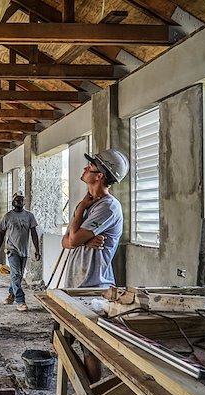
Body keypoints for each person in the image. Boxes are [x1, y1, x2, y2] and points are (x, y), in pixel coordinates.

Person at [61, 148, 129, 383]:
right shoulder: (88, 204)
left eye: (90, 167)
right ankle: (86, 388)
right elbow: (66, 241)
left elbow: (72, 239)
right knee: (59, 341)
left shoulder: (108, 207)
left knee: (90, 349)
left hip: (93, 287)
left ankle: (90, 390)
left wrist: (78, 228)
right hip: (73, 286)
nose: (85, 169)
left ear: (100, 175)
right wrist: (80, 212)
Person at [0, 191, 41, 312]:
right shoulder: (8, 216)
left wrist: (37, 249)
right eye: (17, 200)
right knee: (16, 274)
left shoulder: (29, 216)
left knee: (18, 275)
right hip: (11, 250)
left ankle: (11, 294)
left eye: (21, 200)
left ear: (24, 202)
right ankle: (21, 301)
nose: (19, 202)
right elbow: (1, 232)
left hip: (24, 251)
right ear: (12, 202)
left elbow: (34, 233)